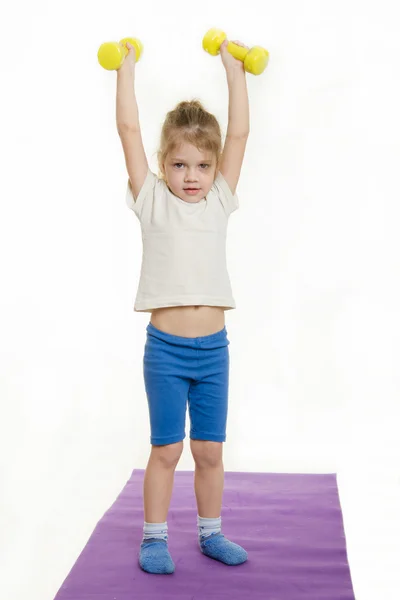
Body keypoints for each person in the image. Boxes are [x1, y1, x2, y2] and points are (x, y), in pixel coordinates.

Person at [116, 38, 250, 574]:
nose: (191, 175)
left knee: (211, 451)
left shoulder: (219, 196)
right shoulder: (150, 199)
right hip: (167, 352)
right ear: (161, 165)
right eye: (178, 164)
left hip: (213, 352)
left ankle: (211, 533)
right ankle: (154, 538)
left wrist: (234, 71)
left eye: (201, 164)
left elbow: (239, 132)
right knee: (168, 449)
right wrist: (125, 69)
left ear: (214, 168)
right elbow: (127, 130)